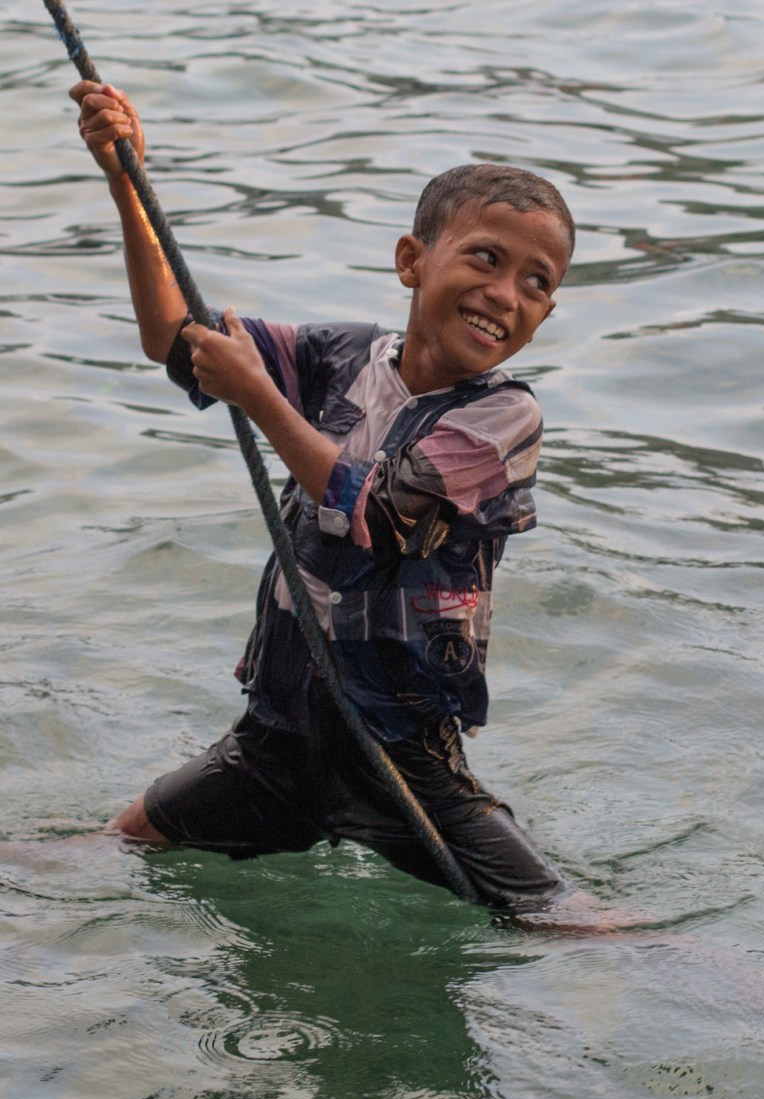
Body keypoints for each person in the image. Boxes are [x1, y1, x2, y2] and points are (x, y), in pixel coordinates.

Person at [69, 79, 590, 921]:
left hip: (398, 760)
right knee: (109, 849)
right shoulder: (340, 355)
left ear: (546, 312)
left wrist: (260, 399)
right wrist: (125, 182)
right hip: (275, 738)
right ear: (411, 261)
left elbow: (378, 513)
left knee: (571, 924)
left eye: (536, 282)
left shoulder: (505, 416)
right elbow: (178, 339)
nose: (506, 293)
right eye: (486, 258)